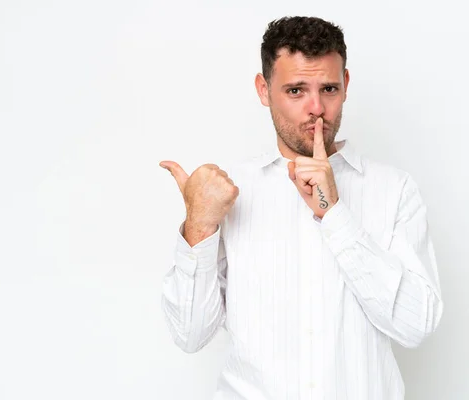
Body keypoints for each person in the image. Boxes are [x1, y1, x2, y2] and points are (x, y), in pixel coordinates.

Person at [158, 16, 443, 400]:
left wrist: (334, 214)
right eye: (295, 90)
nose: (317, 109)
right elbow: (190, 335)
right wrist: (199, 227)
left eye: (328, 88)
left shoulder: (393, 190)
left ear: (346, 84)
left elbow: (416, 325)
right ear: (264, 90)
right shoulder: (231, 193)